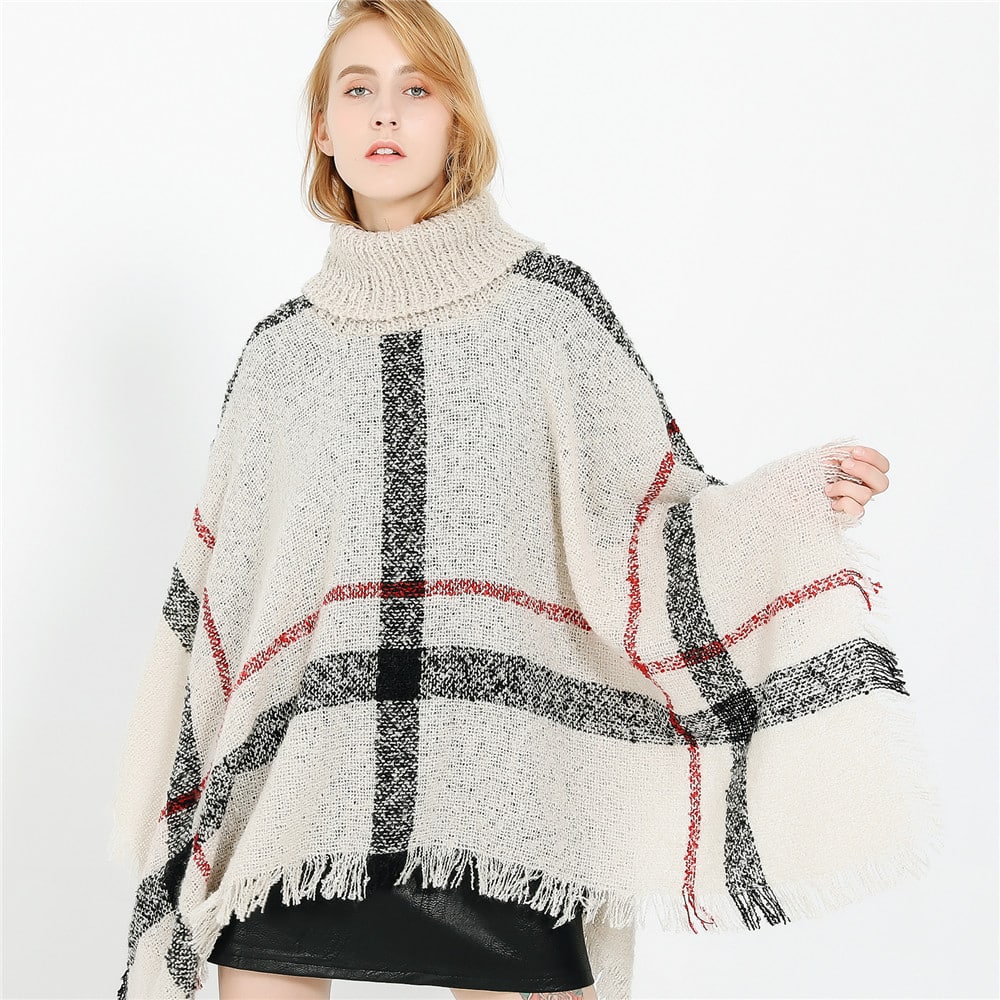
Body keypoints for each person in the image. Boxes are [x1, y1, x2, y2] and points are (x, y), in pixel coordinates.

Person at [112, 4, 933, 1000]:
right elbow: (232, 600)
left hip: (503, 792)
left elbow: (651, 524)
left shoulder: (547, 310)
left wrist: (795, 502)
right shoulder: (279, 357)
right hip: (304, 791)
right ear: (323, 129)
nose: (385, 113)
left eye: (417, 88)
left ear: (457, 120)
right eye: (357, 89)